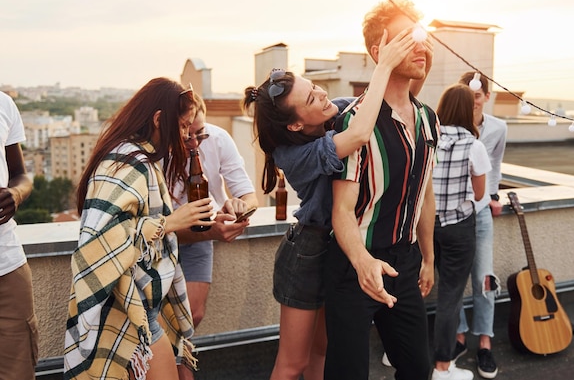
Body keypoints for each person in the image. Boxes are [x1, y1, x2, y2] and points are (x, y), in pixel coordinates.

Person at [241, 25, 420, 380]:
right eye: (310, 100)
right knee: (292, 363)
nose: (322, 97)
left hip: (341, 247)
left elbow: (377, 105)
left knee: (323, 351)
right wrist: (382, 66)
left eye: (315, 88)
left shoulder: (333, 111)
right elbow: (359, 134)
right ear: (294, 125)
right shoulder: (293, 155)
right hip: (308, 251)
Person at [64, 78, 215, 380]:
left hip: (140, 309)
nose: (187, 136)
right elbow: (100, 242)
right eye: (184, 126)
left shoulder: (139, 158)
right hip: (128, 313)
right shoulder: (125, 161)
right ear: (159, 119)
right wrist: (172, 222)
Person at [326, 0, 439, 380]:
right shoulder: (353, 122)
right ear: (380, 51)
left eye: (421, 36)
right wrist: (363, 263)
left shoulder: (429, 119)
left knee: (417, 369)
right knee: (348, 373)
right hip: (354, 264)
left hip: (405, 263)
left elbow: (424, 193)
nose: (420, 45)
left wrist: (428, 257)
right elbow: (341, 210)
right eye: (407, 38)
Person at [174, 98, 258, 380]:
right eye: (188, 134)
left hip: (200, 237)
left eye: (201, 133)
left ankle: (177, 367)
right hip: (161, 239)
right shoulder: (159, 150)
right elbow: (156, 228)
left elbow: (248, 194)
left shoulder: (219, 138)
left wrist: (238, 207)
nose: (195, 141)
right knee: (164, 318)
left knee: (192, 315)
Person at [431, 83, 491, 380]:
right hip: (458, 228)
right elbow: (480, 195)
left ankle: (400, 354)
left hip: (425, 226)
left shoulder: (426, 138)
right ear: (468, 109)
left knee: (414, 290)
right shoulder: (474, 145)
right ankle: (442, 367)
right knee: (450, 297)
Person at [453, 72, 507, 379]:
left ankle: (485, 342)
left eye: (477, 94)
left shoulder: (499, 127)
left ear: (486, 96)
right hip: (454, 214)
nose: (472, 100)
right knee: (455, 277)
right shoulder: (448, 128)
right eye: (467, 94)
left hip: (483, 212)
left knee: (484, 278)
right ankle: (459, 337)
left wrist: (494, 194)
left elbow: (496, 164)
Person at [0, 91, 38, 380]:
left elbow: (21, 174)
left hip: (7, 264)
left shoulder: (4, 104)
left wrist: (16, 193)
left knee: (18, 372)